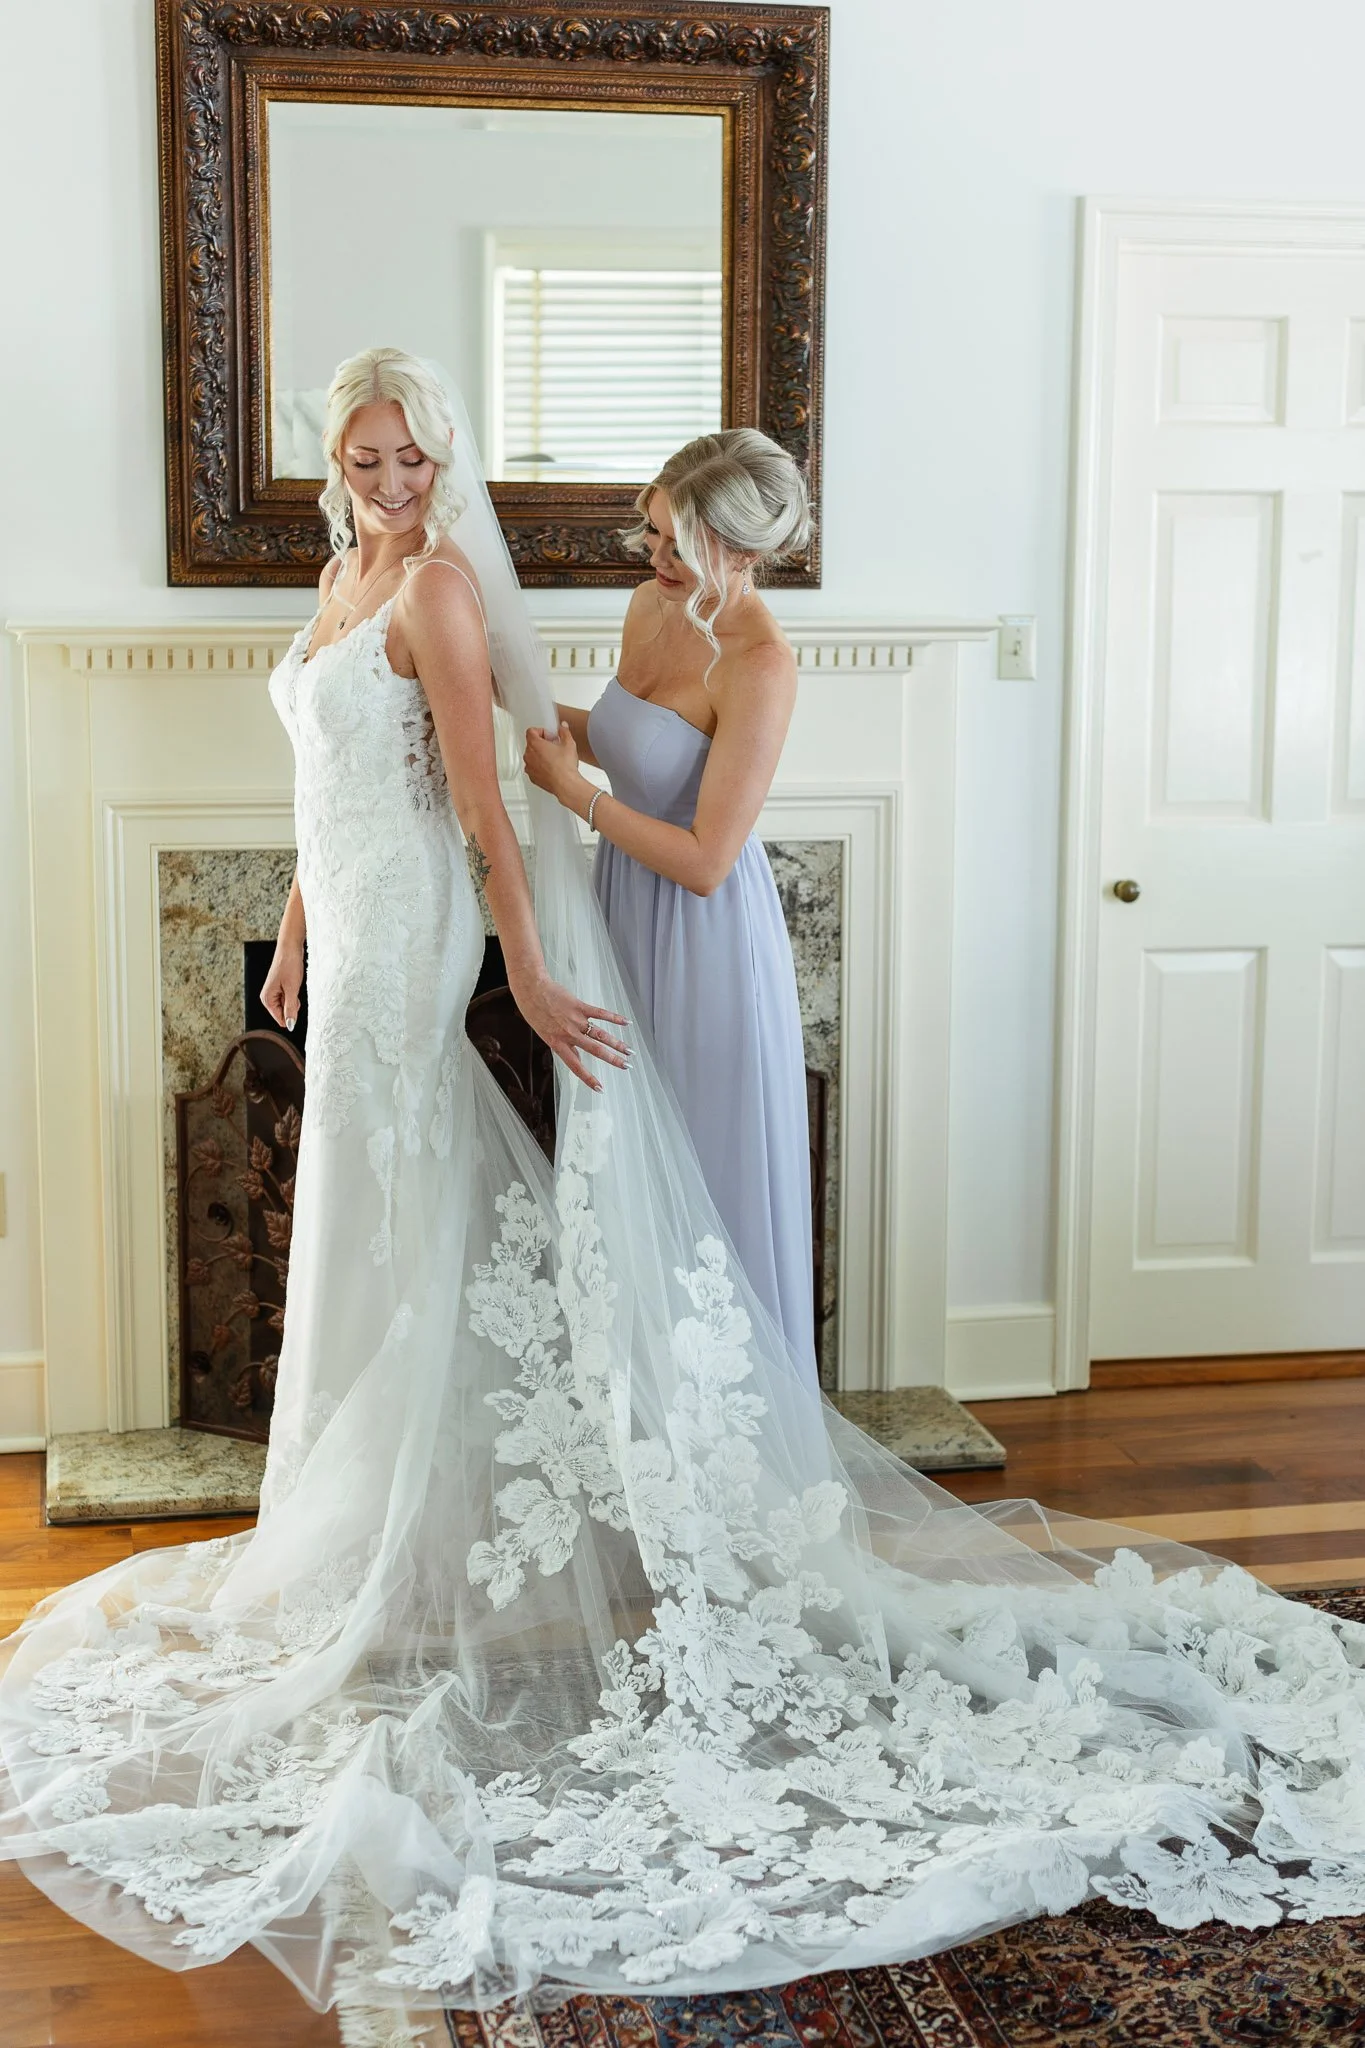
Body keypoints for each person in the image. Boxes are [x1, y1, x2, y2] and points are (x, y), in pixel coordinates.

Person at [3, 352, 1364, 2040]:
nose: (387, 473)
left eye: (410, 452)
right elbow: (357, 774)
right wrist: (291, 917)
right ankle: (373, 1530)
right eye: (363, 453)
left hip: (510, 933)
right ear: (330, 456)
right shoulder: (355, 569)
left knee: (519, 1222)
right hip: (358, 918)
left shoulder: (458, 584)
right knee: (394, 1217)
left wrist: (513, 942)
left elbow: (488, 794)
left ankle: (584, 1525)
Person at [523, 432, 819, 1391]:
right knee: (627, 1180)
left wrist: (572, 797)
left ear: (741, 549)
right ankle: (632, 1428)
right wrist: (518, 700)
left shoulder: (760, 664)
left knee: (700, 1181)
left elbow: (703, 859)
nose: (652, 558)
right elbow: (633, 750)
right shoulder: (650, 604)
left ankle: (730, 1451)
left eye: (675, 541)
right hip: (622, 914)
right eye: (649, 531)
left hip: (703, 944)